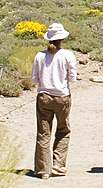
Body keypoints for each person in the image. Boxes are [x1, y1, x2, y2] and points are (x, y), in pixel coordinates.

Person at [31, 22, 77, 179]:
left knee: (43, 133)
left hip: (44, 96)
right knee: (63, 130)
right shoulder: (68, 55)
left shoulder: (40, 56)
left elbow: (34, 79)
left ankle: (43, 169)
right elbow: (72, 77)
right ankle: (58, 164)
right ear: (62, 39)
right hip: (62, 96)